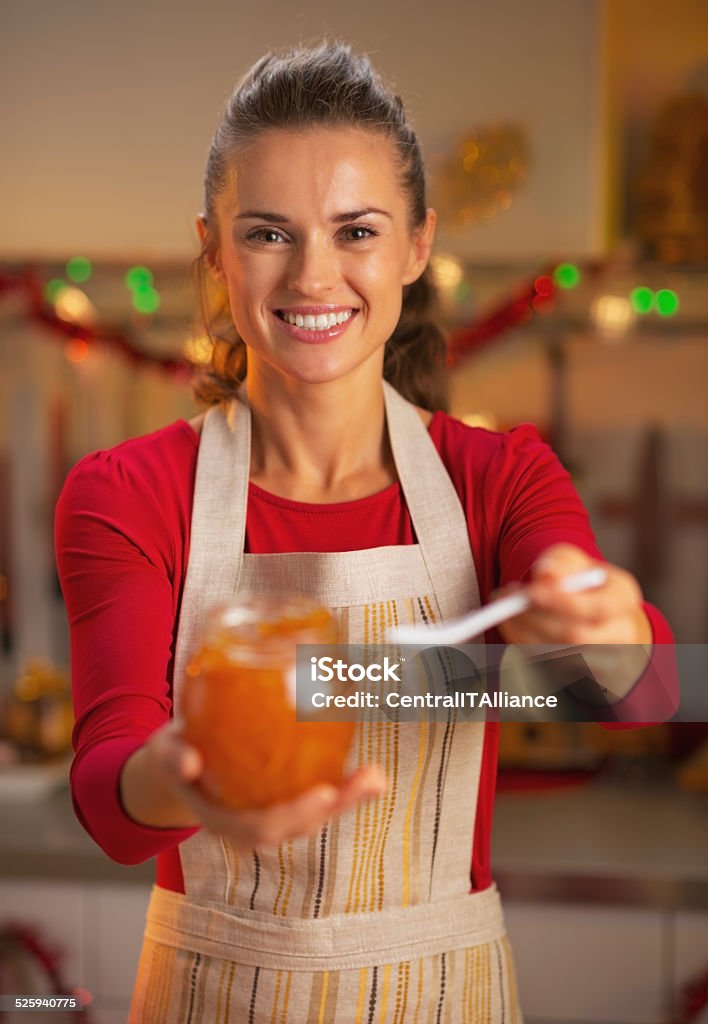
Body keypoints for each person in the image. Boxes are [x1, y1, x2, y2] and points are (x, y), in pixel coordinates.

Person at [55, 41, 677, 1023]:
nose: (314, 275)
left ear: (416, 245)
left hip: (447, 996)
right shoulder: (129, 492)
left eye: (356, 230)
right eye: (267, 233)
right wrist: (181, 774)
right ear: (213, 248)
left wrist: (600, 623)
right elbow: (106, 795)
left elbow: (647, 693)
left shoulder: (498, 478)